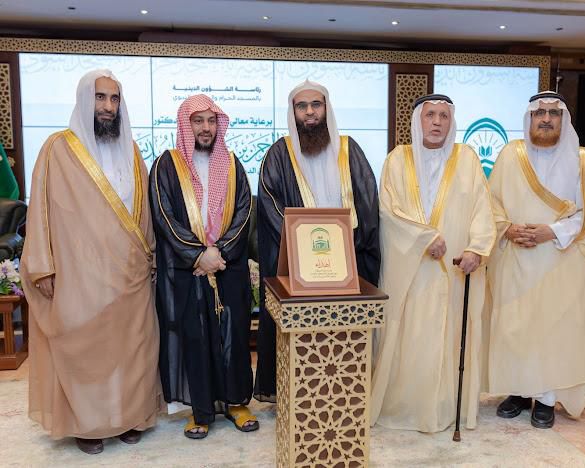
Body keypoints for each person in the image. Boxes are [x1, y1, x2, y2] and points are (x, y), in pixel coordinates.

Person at [20, 69, 161, 454]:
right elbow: (40, 211)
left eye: (114, 99)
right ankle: (88, 424)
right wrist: (42, 264)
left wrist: (149, 255)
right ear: (85, 99)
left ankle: (130, 416)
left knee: (132, 348)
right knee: (87, 348)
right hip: (79, 272)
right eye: (100, 98)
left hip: (130, 271)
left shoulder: (132, 150)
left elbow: (143, 213)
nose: (108, 107)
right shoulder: (57, 149)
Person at [487, 91, 585, 429]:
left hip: (562, 259)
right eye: (540, 113)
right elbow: (491, 203)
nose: (546, 119)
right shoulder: (510, 155)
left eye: (553, 113)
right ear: (530, 118)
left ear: (564, 119)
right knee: (516, 328)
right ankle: (519, 391)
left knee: (552, 331)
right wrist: (508, 228)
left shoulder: (582, 159)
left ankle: (545, 397)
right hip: (517, 258)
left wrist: (552, 231)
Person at [370, 94, 496, 432]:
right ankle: (405, 406)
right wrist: (423, 238)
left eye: (443, 115)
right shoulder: (398, 159)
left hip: (455, 268)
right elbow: (388, 211)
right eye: (430, 115)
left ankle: (443, 408)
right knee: (409, 336)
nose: (437, 122)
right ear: (418, 120)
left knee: (448, 336)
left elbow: (483, 211)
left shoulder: (467, 159)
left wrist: (476, 249)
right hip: (410, 269)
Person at [253, 80, 381, 402]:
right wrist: (302, 250)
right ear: (293, 112)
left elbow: (367, 202)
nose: (309, 112)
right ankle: (296, 396)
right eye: (302, 106)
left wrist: (350, 249)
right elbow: (269, 203)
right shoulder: (279, 154)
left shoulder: (349, 149)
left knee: (341, 339)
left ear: (327, 108)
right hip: (298, 272)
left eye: (316, 105)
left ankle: (344, 394)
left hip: (347, 268)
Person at [149, 94, 257, 438]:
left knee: (234, 335)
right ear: (186, 125)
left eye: (211, 120)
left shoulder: (233, 164)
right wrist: (197, 255)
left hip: (228, 265)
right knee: (194, 338)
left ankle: (237, 403)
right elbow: (163, 215)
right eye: (198, 121)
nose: (206, 128)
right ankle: (201, 409)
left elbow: (245, 212)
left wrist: (219, 252)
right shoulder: (166, 165)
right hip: (187, 269)